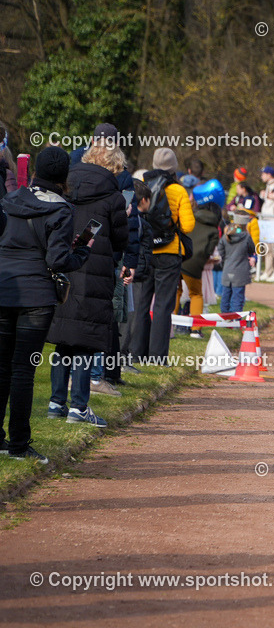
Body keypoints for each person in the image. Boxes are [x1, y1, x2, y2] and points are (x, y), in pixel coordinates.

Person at [0, 147, 92, 463]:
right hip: (36, 297)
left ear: (36, 171)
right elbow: (58, 260)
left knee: (1, 366)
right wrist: (82, 251)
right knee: (23, 370)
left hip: (4, 288)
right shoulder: (61, 211)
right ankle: (18, 445)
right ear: (64, 176)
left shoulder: (9, 200)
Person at [47, 138, 130, 424]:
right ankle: (78, 406)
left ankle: (56, 402)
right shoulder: (114, 196)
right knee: (84, 342)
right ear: (114, 164)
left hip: (65, 268)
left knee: (63, 341)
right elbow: (121, 239)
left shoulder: (66, 187)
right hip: (95, 272)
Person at [130, 148, 194, 364]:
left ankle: (136, 354)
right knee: (163, 306)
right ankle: (157, 357)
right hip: (169, 252)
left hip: (144, 251)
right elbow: (188, 226)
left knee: (140, 304)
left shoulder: (142, 184)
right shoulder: (178, 190)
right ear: (174, 167)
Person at [182, 178, 225, 336]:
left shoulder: (192, 218)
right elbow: (208, 252)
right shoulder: (213, 230)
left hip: (179, 259)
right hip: (194, 265)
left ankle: (169, 326)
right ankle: (195, 329)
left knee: (176, 292)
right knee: (196, 294)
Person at [217, 220, 255, 312]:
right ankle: (236, 321)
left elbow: (220, 253)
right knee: (237, 298)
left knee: (225, 296)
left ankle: (225, 318)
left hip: (227, 270)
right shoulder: (246, 237)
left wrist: (224, 264)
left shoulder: (225, 237)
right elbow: (251, 250)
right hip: (240, 272)